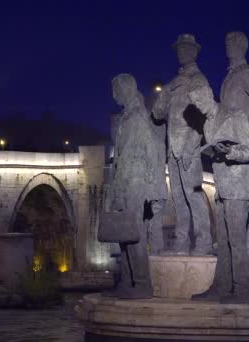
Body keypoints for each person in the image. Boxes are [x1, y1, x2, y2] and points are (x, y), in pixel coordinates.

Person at [152, 34, 212, 255]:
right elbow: (157, 114)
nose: (181, 52)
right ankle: (181, 242)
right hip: (173, 151)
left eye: (186, 49)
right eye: (178, 49)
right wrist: (166, 91)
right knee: (178, 199)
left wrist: (190, 147)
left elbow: (201, 116)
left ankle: (204, 241)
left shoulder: (198, 79)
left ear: (194, 52)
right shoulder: (174, 84)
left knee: (194, 196)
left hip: (189, 151)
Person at [189, 86, 249, 303]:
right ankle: (222, 286)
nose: (199, 107)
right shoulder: (207, 123)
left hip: (239, 186)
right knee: (222, 241)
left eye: (199, 101)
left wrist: (232, 152)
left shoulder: (236, 116)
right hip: (221, 187)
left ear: (208, 95)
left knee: (237, 240)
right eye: (195, 105)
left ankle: (242, 289)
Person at [103, 74, 159, 299]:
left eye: (116, 89)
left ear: (125, 89)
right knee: (123, 234)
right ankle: (127, 282)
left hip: (135, 182)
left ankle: (142, 284)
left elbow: (152, 151)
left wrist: (151, 186)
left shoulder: (137, 116)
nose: (114, 94)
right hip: (123, 182)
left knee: (134, 234)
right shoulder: (127, 116)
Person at [221, 31, 249, 116]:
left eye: (231, 43)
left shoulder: (246, 71)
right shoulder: (229, 74)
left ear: (241, 47)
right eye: (227, 44)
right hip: (227, 125)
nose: (227, 47)